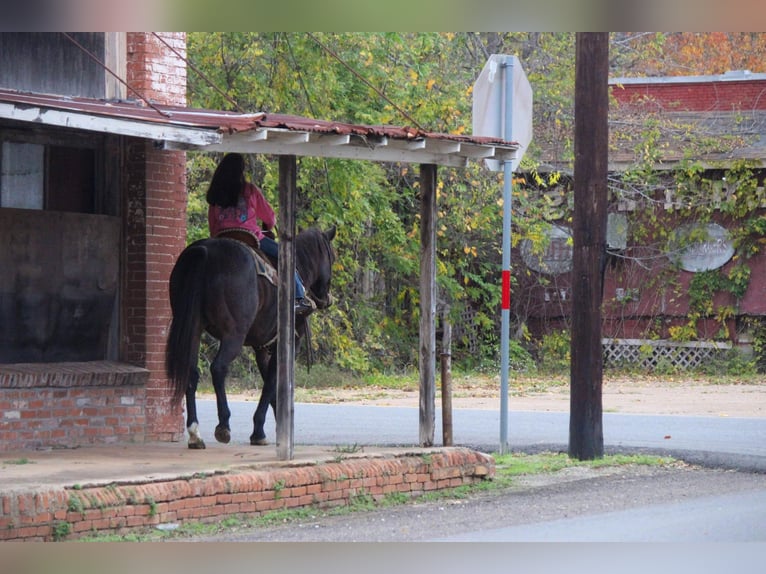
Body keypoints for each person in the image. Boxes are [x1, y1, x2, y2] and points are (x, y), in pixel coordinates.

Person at [206, 153, 314, 316]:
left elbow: (213, 226)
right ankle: (298, 298)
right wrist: (269, 226)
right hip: (249, 237)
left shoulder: (215, 193)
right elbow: (269, 217)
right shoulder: (249, 190)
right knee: (285, 256)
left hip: (222, 239)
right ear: (241, 170)